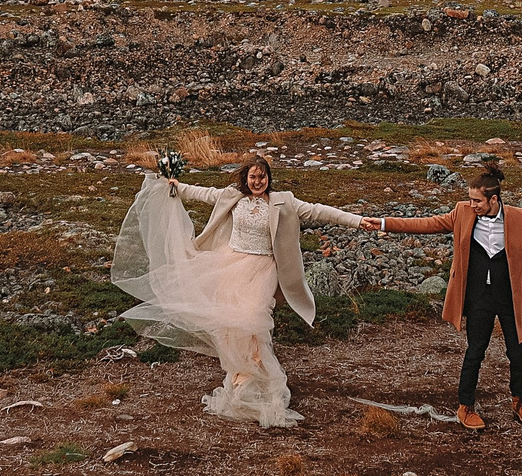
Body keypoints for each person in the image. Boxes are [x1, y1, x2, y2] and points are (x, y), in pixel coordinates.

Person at [113, 152, 385, 428]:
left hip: (263, 268)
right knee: (230, 325)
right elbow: (201, 193)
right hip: (229, 264)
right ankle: (241, 380)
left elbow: (320, 210)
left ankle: (265, 384)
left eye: (262, 176)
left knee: (254, 318)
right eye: (253, 177)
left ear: (269, 178)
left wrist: (358, 220)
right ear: (245, 178)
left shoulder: (284, 202)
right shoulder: (232, 196)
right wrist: (174, 185)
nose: (258, 181)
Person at [376, 164, 522, 430]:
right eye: (469, 199)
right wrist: (385, 223)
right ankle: (466, 406)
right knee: (475, 351)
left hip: (509, 296)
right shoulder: (462, 213)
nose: (472, 204)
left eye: (477, 200)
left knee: (518, 351)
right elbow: (427, 224)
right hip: (478, 296)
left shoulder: (520, 218)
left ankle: (519, 400)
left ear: (493, 199)